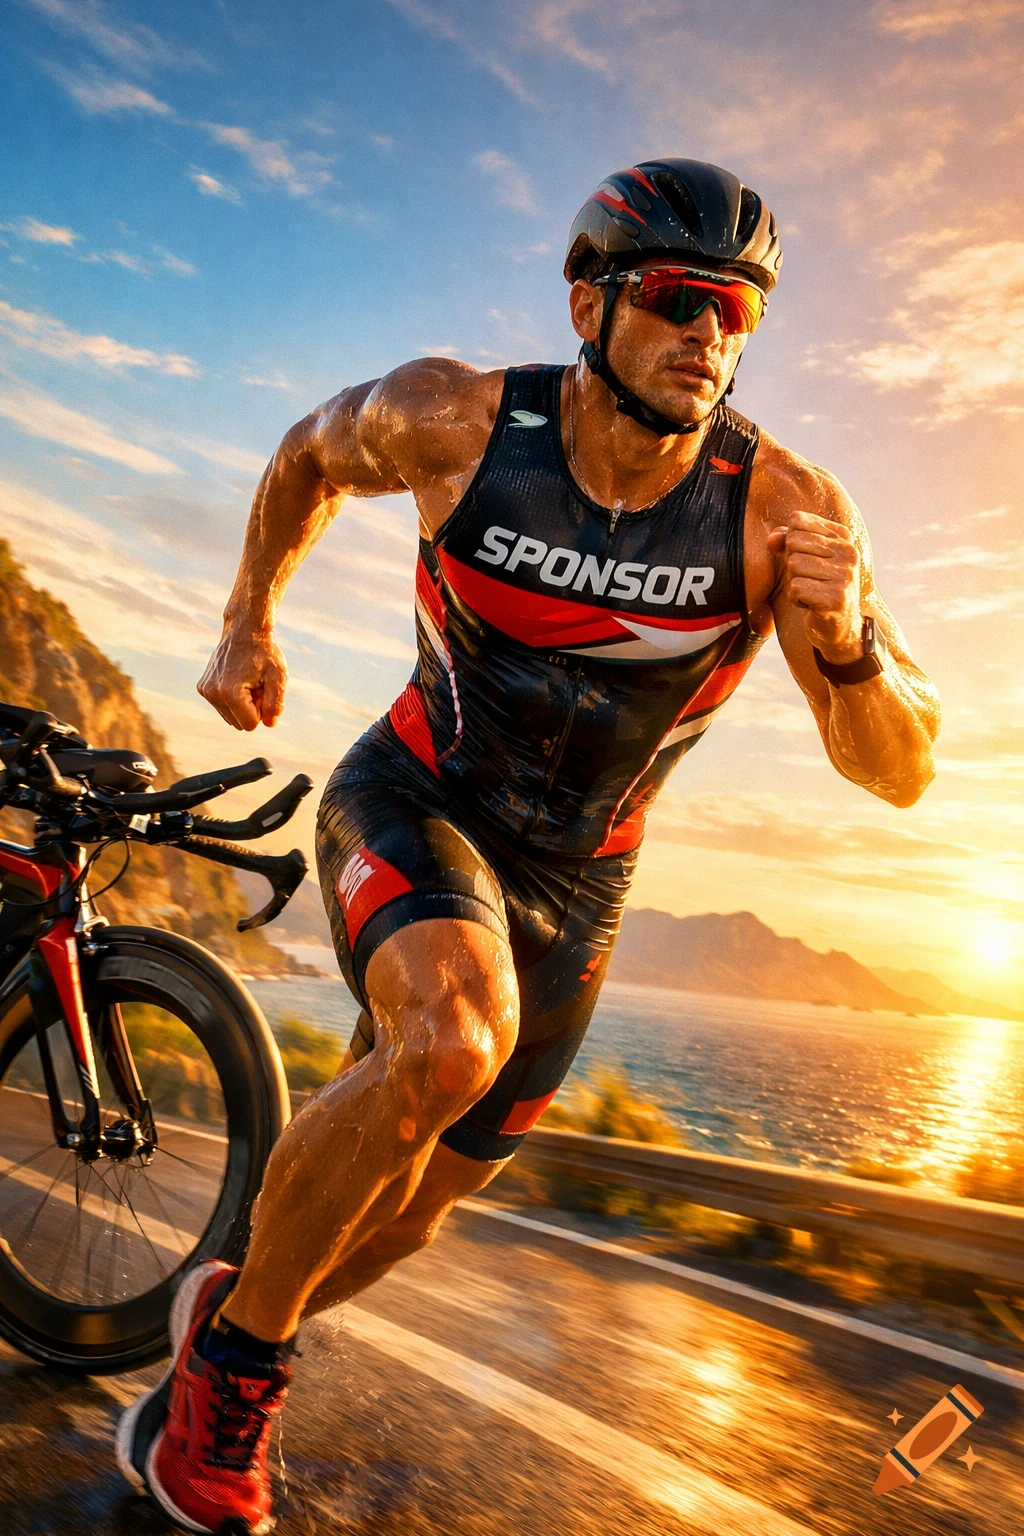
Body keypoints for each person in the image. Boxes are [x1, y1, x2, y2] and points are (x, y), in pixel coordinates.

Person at [117, 158, 939, 1534]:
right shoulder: (452, 420)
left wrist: (852, 649)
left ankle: (233, 1318)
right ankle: (232, 1390)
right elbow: (307, 455)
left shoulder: (784, 512)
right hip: (418, 796)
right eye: (681, 299)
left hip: (584, 885)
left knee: (415, 1213)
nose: (712, 337)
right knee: (444, 1045)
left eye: (741, 313)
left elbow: (899, 771)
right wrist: (247, 616)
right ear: (589, 302)